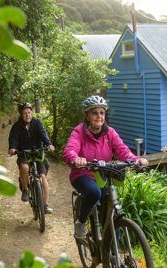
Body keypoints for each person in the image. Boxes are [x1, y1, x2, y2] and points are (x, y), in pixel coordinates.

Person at [63, 95, 149, 239]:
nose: (99, 116)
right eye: (95, 113)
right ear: (87, 115)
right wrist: (75, 158)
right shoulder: (79, 132)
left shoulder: (110, 133)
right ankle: (81, 221)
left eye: (102, 113)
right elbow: (70, 149)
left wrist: (136, 159)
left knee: (111, 208)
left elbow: (122, 150)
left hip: (103, 175)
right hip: (83, 174)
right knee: (94, 192)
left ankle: (113, 252)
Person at [8, 102, 55, 214]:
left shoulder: (37, 123)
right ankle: (25, 189)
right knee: (24, 167)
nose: (27, 115)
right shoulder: (17, 126)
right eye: (24, 113)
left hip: (38, 153)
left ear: (32, 113)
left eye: (29, 112)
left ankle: (45, 205)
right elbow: (13, 139)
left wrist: (49, 144)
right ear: (21, 114)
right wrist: (13, 148)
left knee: (43, 177)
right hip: (24, 154)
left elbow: (43, 134)